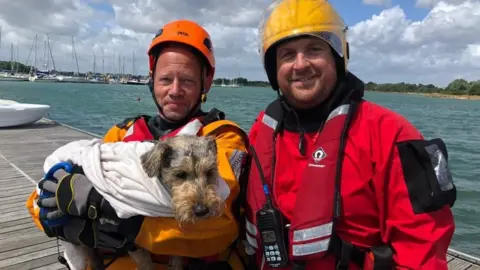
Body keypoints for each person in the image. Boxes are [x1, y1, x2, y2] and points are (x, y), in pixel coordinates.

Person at [242, 0, 457, 269]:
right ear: (274, 70)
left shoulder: (391, 135)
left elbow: (422, 251)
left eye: (314, 49)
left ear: (337, 55)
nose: (300, 64)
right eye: (287, 54)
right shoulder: (262, 131)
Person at [25, 19, 249, 270]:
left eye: (186, 80)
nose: (175, 90)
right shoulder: (123, 133)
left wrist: (118, 217)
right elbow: (47, 191)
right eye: (166, 79)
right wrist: (49, 213)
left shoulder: (222, 138)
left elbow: (219, 227)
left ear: (205, 82)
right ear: (152, 79)